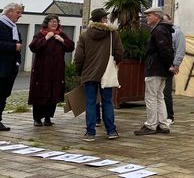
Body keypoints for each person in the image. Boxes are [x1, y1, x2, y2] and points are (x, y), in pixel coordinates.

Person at [74, 8, 123, 141]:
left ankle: (90, 133)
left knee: (90, 103)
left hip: (89, 74)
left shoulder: (84, 35)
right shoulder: (113, 34)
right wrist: (116, 63)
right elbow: (120, 52)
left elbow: (78, 57)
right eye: (105, 18)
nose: (107, 20)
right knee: (107, 102)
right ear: (102, 19)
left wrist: (79, 72)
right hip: (106, 73)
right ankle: (111, 131)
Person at [28, 14, 75, 126]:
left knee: (53, 94)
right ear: (47, 23)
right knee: (40, 94)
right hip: (42, 71)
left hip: (56, 71)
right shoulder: (40, 34)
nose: (54, 23)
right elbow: (33, 47)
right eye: (51, 21)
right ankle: (37, 118)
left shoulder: (61, 34)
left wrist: (62, 40)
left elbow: (71, 47)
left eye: (56, 21)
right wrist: (46, 38)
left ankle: (48, 118)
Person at [134, 7, 173, 135]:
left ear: (157, 16)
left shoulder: (159, 30)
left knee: (151, 97)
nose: (147, 18)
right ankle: (162, 124)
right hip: (162, 69)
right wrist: (170, 66)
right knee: (159, 96)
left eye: (149, 15)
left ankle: (151, 125)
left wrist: (169, 65)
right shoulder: (163, 28)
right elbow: (166, 49)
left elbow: (164, 49)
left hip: (155, 68)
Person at [0, 3, 23, 131]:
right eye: (18, 12)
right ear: (9, 12)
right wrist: (13, 47)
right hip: (1, 67)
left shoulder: (13, 27)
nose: (20, 15)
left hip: (10, 67)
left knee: (4, 94)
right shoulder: (1, 24)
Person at [162, 14, 185, 125]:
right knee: (159, 92)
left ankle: (169, 116)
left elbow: (180, 49)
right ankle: (161, 115)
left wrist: (176, 64)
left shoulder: (177, 32)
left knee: (166, 91)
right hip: (159, 65)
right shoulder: (159, 31)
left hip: (169, 64)